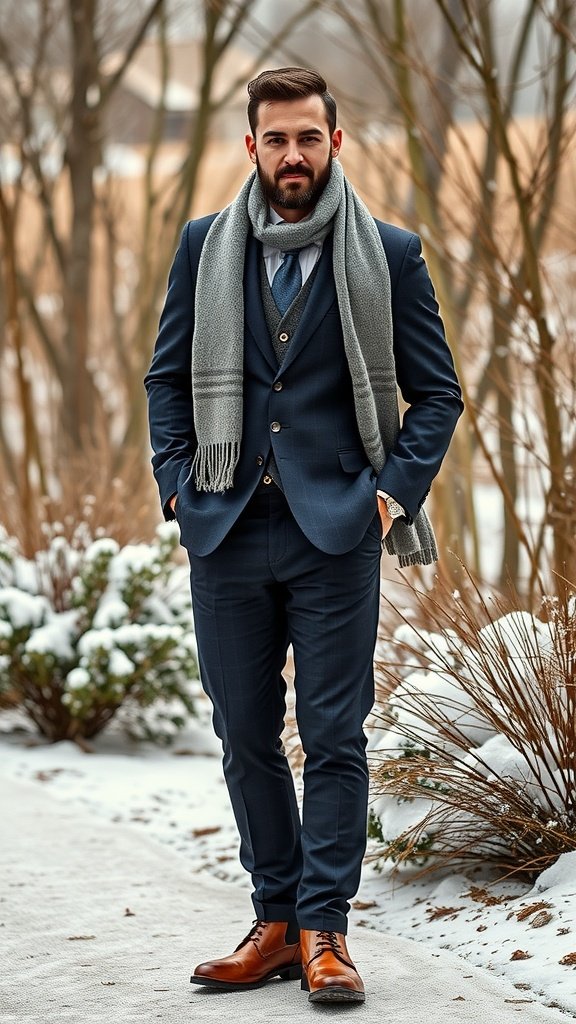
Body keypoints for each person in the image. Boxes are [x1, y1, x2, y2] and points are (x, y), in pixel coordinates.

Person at [144, 66, 463, 1006]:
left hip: (337, 533)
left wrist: (386, 498)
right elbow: (167, 380)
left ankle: (327, 931)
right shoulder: (205, 247)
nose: (293, 155)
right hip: (227, 527)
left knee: (333, 737)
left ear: (335, 142)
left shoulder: (393, 254)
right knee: (244, 733)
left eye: (308, 138)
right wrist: (175, 487)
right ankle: (274, 921)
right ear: (252, 146)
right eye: (276, 138)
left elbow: (436, 394)